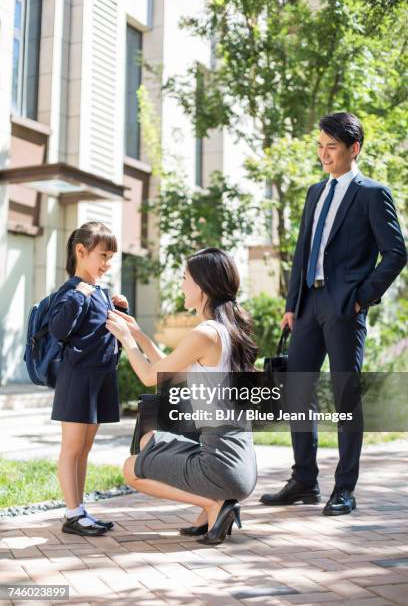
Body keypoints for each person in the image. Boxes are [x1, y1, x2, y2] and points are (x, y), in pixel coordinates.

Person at [260, 112, 407, 516]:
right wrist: (292, 305)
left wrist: (361, 298)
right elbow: (303, 251)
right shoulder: (314, 193)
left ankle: (345, 489)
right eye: (320, 146)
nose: (323, 155)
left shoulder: (372, 194)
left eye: (332, 147)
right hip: (308, 307)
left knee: (345, 397)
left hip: (344, 308)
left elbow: (396, 253)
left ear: (353, 149)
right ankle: (304, 480)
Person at [106, 247, 259, 545]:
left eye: (184, 278)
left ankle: (213, 505)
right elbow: (169, 371)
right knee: (148, 441)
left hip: (221, 467)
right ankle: (213, 507)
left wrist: (125, 341)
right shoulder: (227, 332)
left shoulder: (206, 333)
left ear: (201, 286)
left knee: (131, 469)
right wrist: (139, 335)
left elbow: (151, 377)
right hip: (241, 466)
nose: (181, 284)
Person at [49, 221, 129, 536]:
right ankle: (72, 513)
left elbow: (104, 334)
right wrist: (83, 292)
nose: (107, 263)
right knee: (72, 448)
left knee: (84, 449)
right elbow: (59, 330)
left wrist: (119, 307)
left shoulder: (98, 291)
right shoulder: (72, 290)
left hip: (98, 377)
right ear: (81, 251)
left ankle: (80, 510)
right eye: (103, 255)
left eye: (111, 256)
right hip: (77, 378)